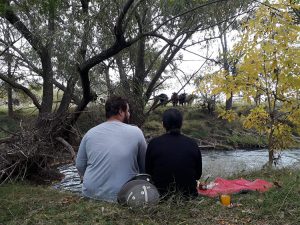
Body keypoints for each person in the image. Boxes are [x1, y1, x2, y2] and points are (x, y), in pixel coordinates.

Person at [76, 96, 147, 202]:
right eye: (127, 111)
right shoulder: (136, 132)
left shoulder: (90, 133)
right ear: (120, 111)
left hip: (90, 193)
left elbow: (80, 166)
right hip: (123, 195)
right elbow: (144, 166)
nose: (129, 114)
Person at [145, 108, 202, 198]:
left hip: (160, 196)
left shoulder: (154, 143)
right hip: (188, 196)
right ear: (181, 124)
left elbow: (148, 172)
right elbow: (198, 175)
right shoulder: (192, 143)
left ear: (163, 124)